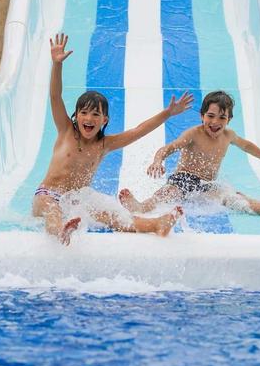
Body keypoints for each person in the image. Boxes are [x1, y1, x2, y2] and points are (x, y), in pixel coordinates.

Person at [33, 33, 192, 245]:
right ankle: (61, 229)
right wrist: (57, 65)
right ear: (76, 116)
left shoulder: (104, 145)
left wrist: (168, 113)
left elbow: (139, 130)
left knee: (113, 215)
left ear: (104, 120)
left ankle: (156, 224)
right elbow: (55, 96)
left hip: (77, 199)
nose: (89, 119)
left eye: (96, 115)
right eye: (85, 113)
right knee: (52, 210)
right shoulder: (66, 131)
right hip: (48, 195)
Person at [118, 90, 260, 218]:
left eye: (222, 118)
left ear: (229, 120)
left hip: (207, 185)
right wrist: (158, 161)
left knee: (232, 198)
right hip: (183, 180)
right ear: (202, 116)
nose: (215, 122)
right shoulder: (194, 133)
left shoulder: (228, 135)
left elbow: (247, 146)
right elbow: (169, 147)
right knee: (168, 193)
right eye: (210, 116)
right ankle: (141, 207)